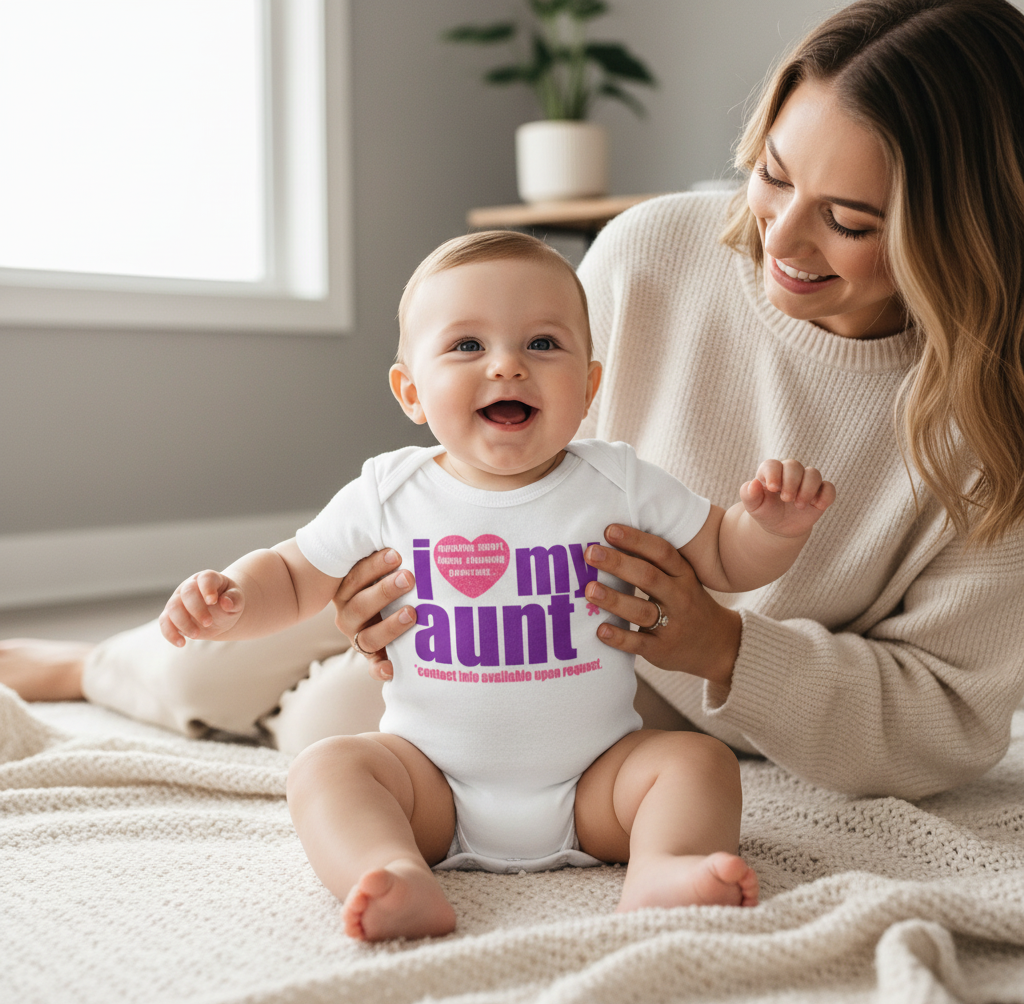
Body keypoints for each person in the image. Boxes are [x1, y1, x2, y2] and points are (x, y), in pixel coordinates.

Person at [3, 0, 1023, 807]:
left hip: (649, 698)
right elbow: (493, 438)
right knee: (205, 664)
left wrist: (719, 644)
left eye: (847, 221)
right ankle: (88, 665)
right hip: (475, 611)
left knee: (335, 738)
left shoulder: (991, 430)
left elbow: (946, 721)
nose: (780, 241)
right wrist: (387, 580)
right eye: (770, 175)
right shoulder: (656, 250)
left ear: (966, 231)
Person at [156, 230, 834, 940]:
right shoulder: (388, 490)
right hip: (432, 787)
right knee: (326, 769)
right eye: (467, 347)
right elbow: (296, 575)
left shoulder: (618, 479)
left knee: (699, 762)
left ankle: (663, 865)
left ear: (590, 386)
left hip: (595, 784)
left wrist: (773, 529)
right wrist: (232, 597)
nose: (508, 366)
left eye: (543, 344)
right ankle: (389, 870)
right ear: (411, 392)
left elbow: (725, 557)